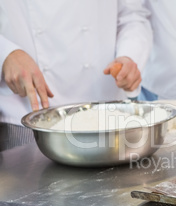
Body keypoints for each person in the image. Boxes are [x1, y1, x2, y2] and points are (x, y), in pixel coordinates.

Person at [0, 0, 152, 151]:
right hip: (26, 122)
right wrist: (6, 54)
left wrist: (129, 55)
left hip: (110, 116)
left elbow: (133, 16)